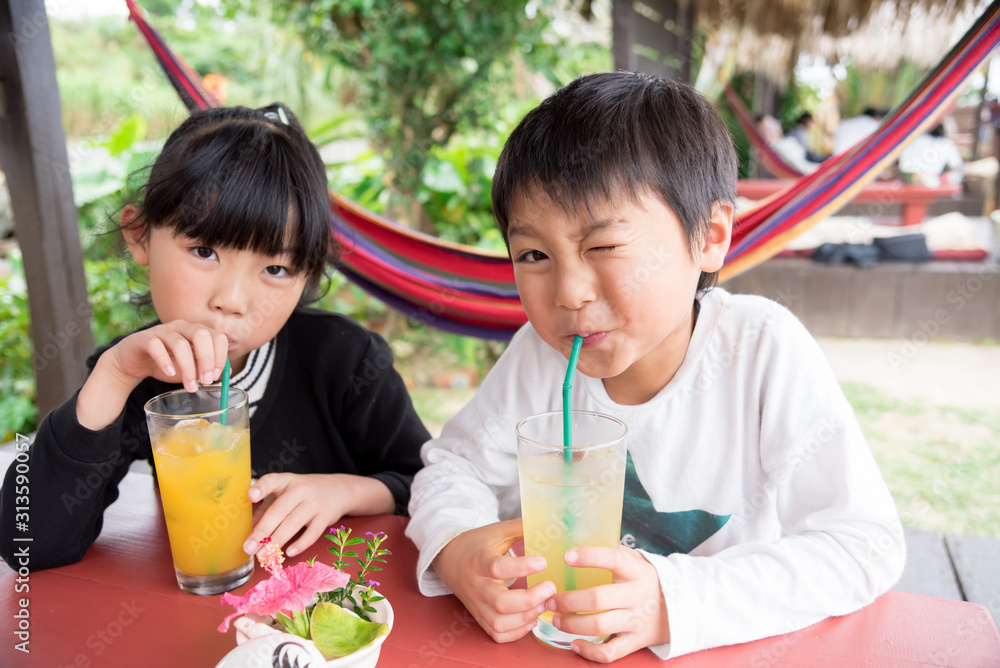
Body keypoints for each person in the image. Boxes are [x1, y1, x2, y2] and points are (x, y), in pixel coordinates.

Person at [406, 72, 904, 662]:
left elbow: (862, 544)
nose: (568, 292)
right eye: (534, 255)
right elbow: (451, 468)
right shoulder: (539, 358)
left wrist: (673, 601)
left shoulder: (760, 350)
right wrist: (458, 547)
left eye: (604, 247)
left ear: (710, 236)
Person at [0, 104, 429, 571]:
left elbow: (424, 483)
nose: (233, 300)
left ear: (308, 273)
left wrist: (343, 490)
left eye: (275, 268)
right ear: (139, 236)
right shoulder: (137, 375)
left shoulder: (345, 361)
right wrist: (112, 378)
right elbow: (29, 544)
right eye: (204, 251)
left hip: (336, 614)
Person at [897, 123, 964, 186]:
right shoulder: (945, 143)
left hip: (907, 178)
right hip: (928, 179)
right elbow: (956, 164)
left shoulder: (914, 139)